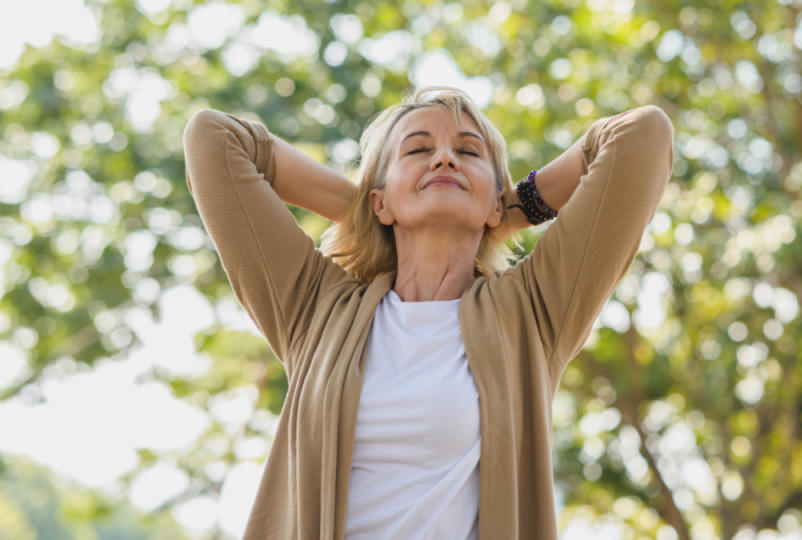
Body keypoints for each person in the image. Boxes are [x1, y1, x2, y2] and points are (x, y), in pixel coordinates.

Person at [182, 85, 673, 540]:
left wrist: (507, 209)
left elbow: (641, 137)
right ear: (380, 200)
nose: (443, 157)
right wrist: (369, 211)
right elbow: (214, 140)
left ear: (495, 203)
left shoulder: (532, 310)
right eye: (417, 150)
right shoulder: (316, 307)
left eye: (468, 152)